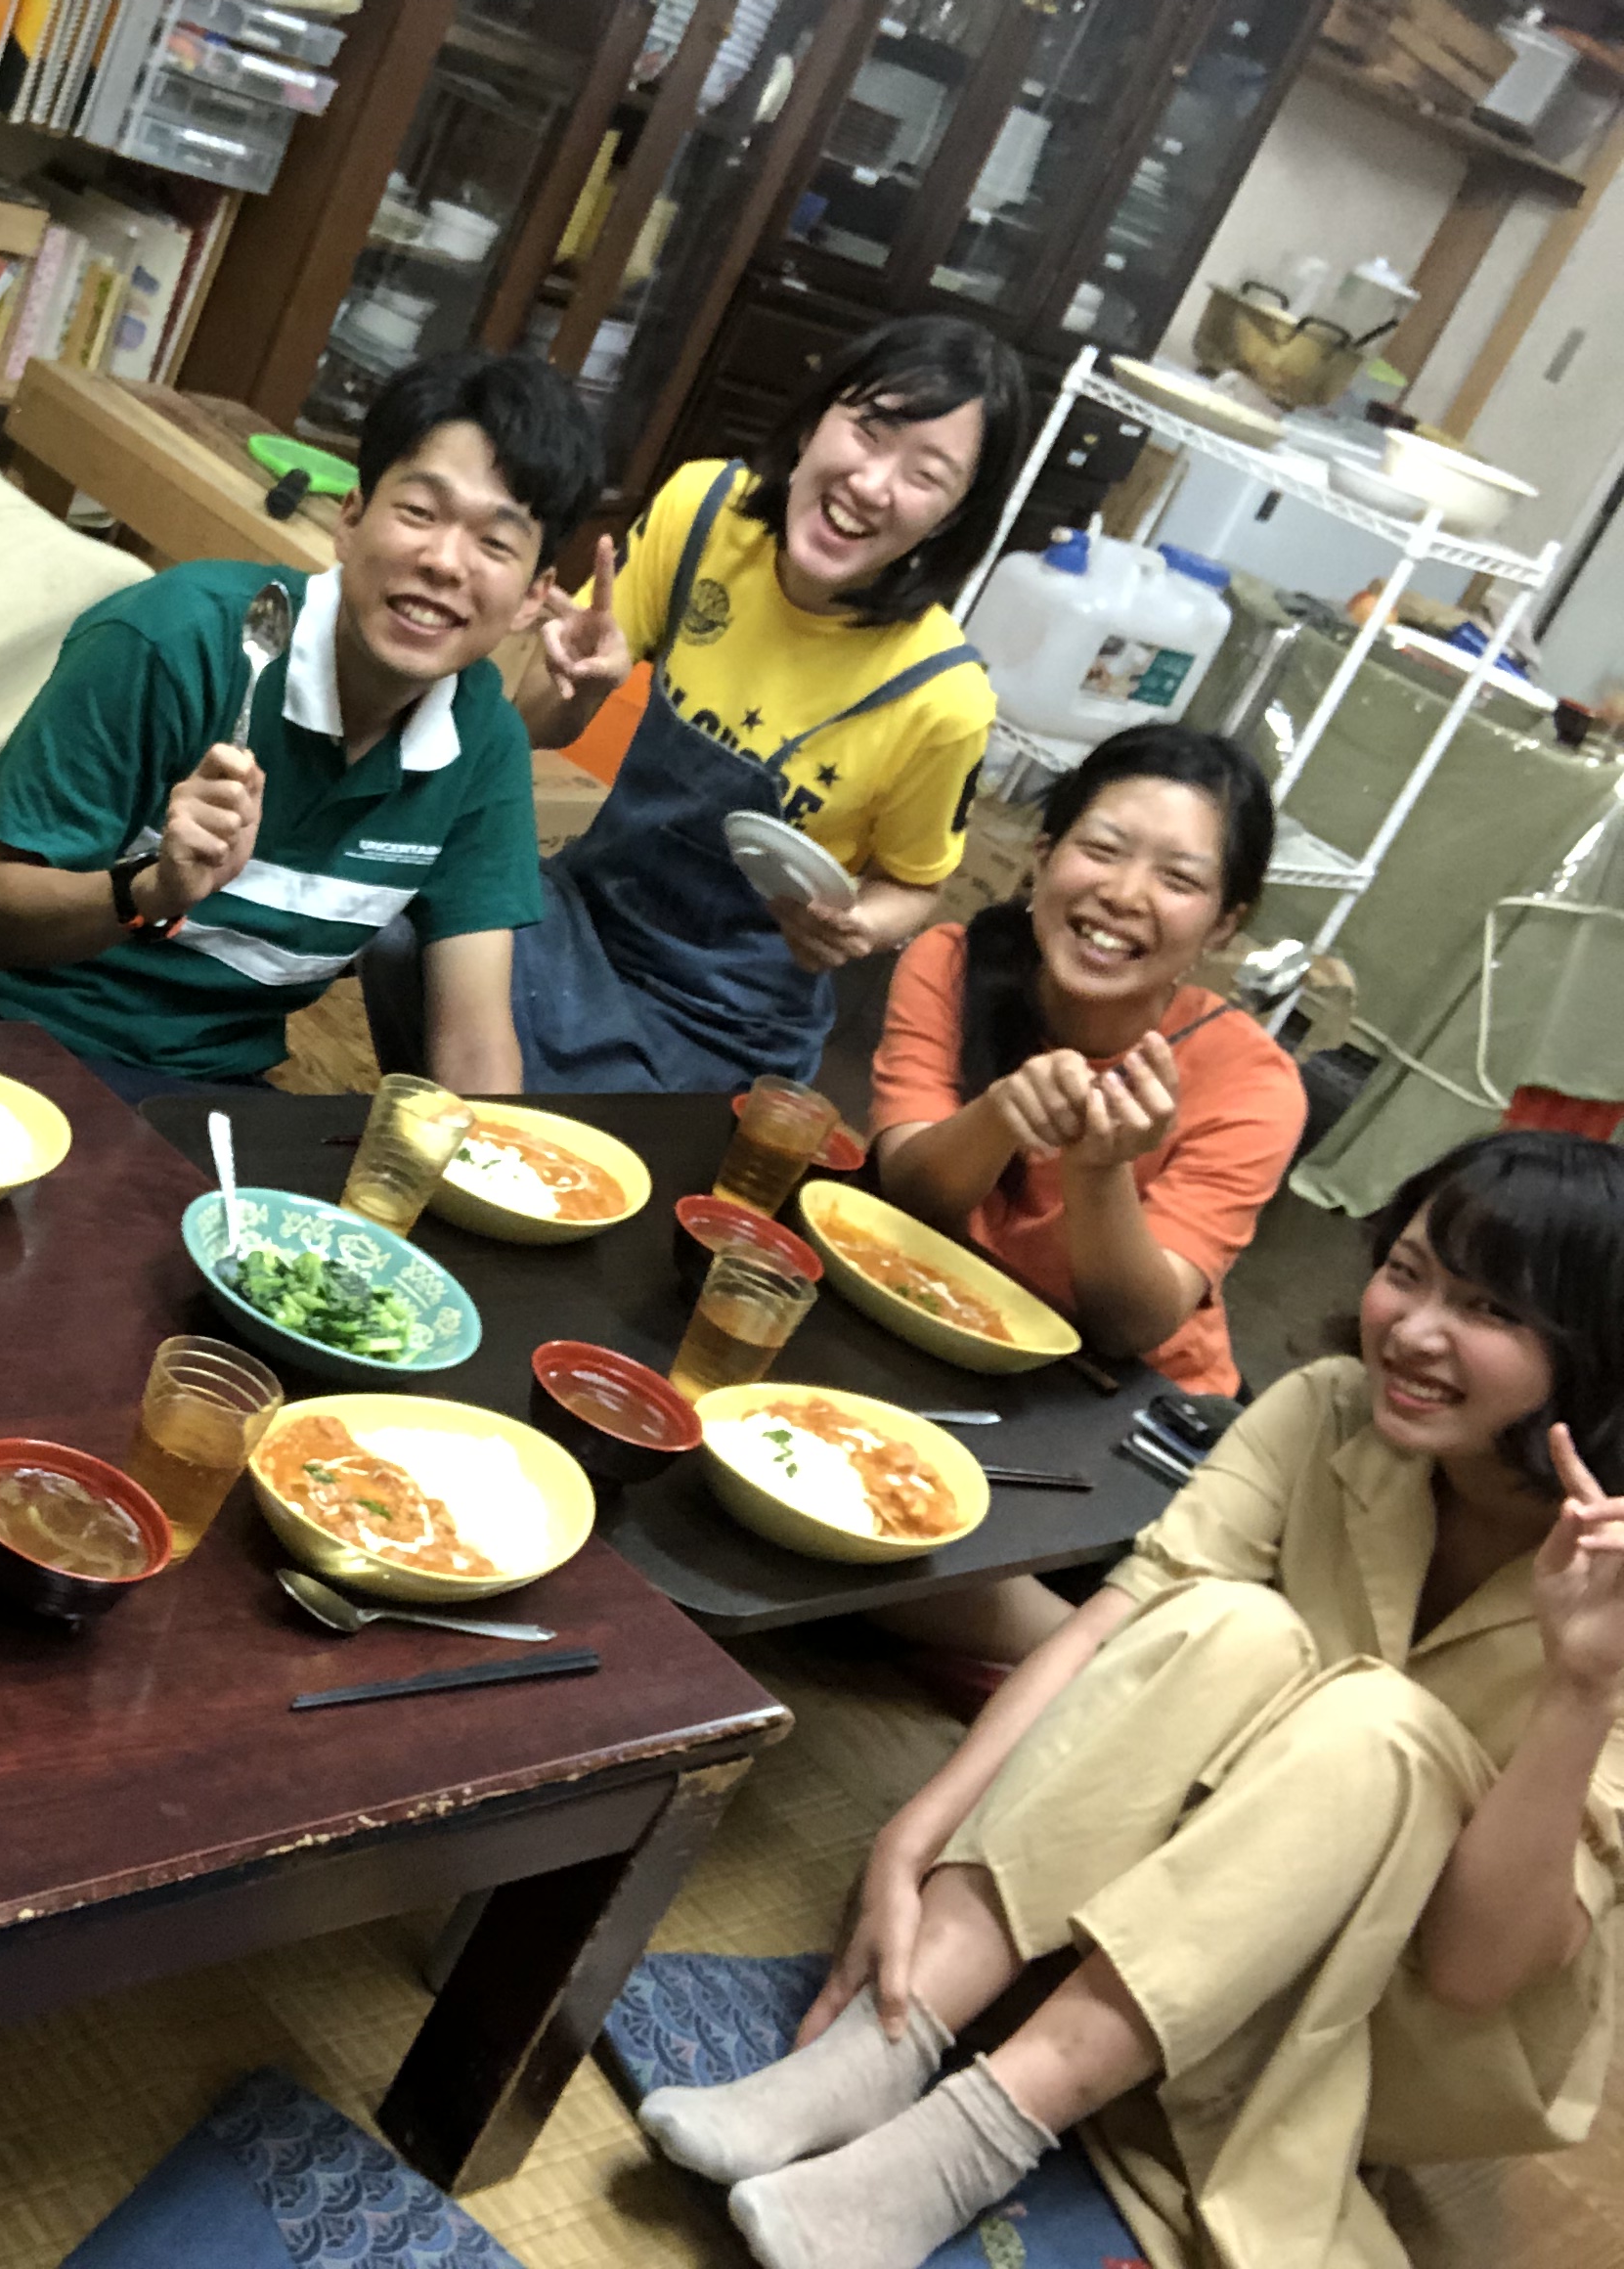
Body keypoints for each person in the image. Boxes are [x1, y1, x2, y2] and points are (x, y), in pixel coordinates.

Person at [634, 1129, 1624, 2269]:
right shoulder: (1330, 1408)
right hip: (1194, 1889)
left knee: (1376, 1724)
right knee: (1232, 1621)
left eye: (1489, 1308)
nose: (1413, 1329)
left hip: (1393, 2010)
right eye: (1406, 1272)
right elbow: (1119, 1623)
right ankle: (887, 2040)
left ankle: (964, 2145)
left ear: (1594, 1351)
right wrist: (916, 1835)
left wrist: (1582, 1684)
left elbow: (1472, 1972)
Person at [0, 349, 597, 1102]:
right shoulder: (175, 640)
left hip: (210, 1088)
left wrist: (490, 1165)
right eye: (419, 513)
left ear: (533, 599)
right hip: (4, 1038)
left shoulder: (482, 741)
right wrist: (151, 889)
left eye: (495, 543)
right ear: (351, 519)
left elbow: (472, 1038)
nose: (445, 561)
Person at [473, 314, 1030, 1092]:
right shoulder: (704, 513)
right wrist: (578, 686)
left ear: (954, 518)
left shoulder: (944, 698)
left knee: (552, 1105)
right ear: (813, 422)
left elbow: (914, 884)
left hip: (725, 1019)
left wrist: (858, 925)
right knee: (414, 932)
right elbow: (530, 727)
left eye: (925, 475)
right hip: (585, 917)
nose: (872, 486)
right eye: (868, 432)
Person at [868, 724, 1304, 1664]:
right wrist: (998, 1116)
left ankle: (1095, 1669)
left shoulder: (1250, 1081)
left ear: (1223, 926)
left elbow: (1131, 1325)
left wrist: (1098, 1168)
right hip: (953, 1352)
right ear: (1043, 855)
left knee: (881, 1528)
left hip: (1122, 1413)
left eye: (1178, 879)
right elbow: (904, 1198)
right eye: (1102, 849)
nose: (1124, 894)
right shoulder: (953, 963)